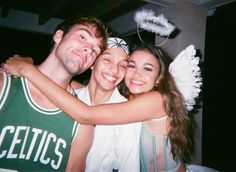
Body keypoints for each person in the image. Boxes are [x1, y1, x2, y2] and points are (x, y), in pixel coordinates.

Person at [3, 43, 197, 171]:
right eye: (131, 66)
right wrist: (32, 66)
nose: (136, 74)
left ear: (159, 78)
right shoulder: (133, 99)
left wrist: (27, 70)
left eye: (147, 68)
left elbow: (86, 115)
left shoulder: (156, 100)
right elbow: (71, 86)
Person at [0, 15, 108, 171]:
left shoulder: (83, 126)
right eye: (83, 36)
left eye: (95, 51)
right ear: (59, 35)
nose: (89, 49)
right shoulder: (4, 85)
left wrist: (27, 68)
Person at [68, 37, 141, 172]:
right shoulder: (69, 98)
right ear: (92, 63)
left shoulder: (128, 117)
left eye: (123, 65)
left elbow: (129, 167)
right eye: (107, 60)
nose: (115, 69)